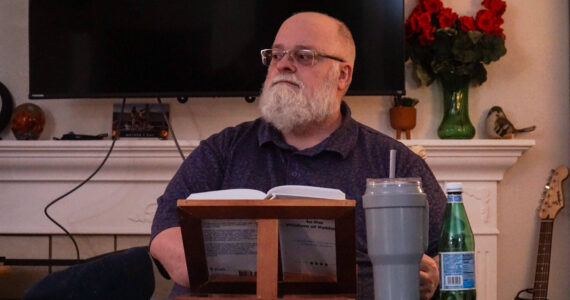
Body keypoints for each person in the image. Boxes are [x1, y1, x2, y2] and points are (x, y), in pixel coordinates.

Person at [150, 11, 445, 299]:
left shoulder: (393, 161)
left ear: (343, 75)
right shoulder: (222, 149)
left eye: (303, 56)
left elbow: (449, 252)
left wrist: (434, 277)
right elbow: (163, 234)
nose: (284, 65)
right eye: (276, 55)